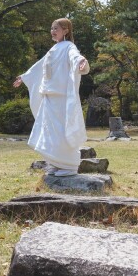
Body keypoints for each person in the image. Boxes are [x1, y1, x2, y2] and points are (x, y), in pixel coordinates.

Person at [13, 18, 89, 177]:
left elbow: (75, 56)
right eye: (52, 28)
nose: (53, 31)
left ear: (66, 30)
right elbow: (40, 66)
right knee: (48, 132)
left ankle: (69, 166)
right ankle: (55, 163)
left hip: (61, 98)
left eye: (56, 28)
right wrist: (25, 77)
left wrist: (81, 61)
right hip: (49, 97)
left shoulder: (69, 46)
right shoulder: (53, 49)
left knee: (62, 131)